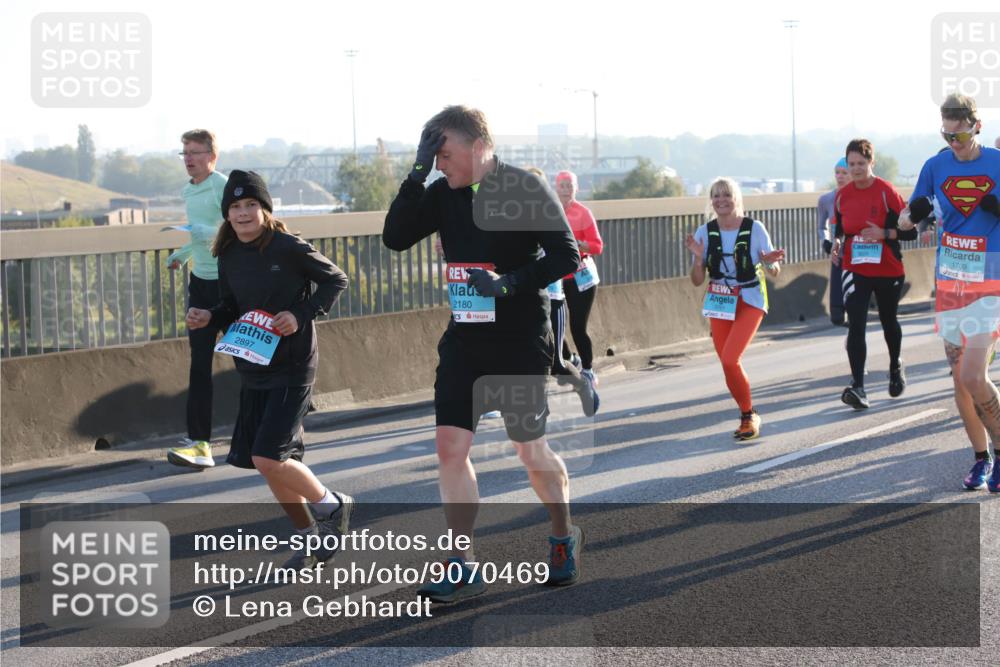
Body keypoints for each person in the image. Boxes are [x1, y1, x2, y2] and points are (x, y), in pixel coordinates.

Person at [383, 105, 591, 602]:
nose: (441, 163)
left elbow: (567, 255)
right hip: (465, 339)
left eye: (445, 153)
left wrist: (509, 283)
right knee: (450, 450)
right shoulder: (441, 192)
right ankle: (463, 562)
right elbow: (394, 238)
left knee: (529, 450)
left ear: (477, 148)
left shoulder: (524, 187)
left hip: (519, 337)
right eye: (432, 155)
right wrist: (416, 174)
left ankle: (564, 536)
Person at [185, 170, 355, 568]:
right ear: (226, 213)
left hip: (294, 365)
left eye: (251, 205)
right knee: (274, 465)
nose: (243, 213)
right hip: (255, 366)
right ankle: (311, 539)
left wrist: (300, 314)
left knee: (267, 457)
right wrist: (207, 315)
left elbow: (336, 279)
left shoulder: (287, 246)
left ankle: (334, 505)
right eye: (235, 206)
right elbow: (232, 307)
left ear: (264, 209)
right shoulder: (226, 253)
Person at [901, 93, 1000, 492]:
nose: (953, 144)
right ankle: (981, 457)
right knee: (960, 381)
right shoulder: (934, 166)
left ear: (976, 126)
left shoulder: (997, 162)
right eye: (947, 136)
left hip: (990, 284)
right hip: (951, 284)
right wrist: (917, 213)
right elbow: (906, 221)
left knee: (975, 374)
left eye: (959, 135)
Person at [685, 178, 785, 440]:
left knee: (731, 358)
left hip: (749, 299)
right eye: (716, 196)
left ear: (736, 198)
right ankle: (746, 412)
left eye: (726, 195)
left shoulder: (755, 228)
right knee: (727, 364)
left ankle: (748, 416)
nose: (721, 201)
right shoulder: (704, 232)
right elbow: (697, 281)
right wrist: (698, 259)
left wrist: (769, 262)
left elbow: (774, 271)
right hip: (720, 301)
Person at [831, 138, 917, 410]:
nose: (856, 169)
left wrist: (884, 233)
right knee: (855, 323)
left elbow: (911, 231)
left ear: (871, 163)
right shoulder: (842, 195)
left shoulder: (886, 191)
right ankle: (858, 386)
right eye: (851, 164)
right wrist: (837, 243)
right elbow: (841, 229)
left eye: (861, 163)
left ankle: (895, 365)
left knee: (888, 320)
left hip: (887, 267)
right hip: (855, 267)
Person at [167, 130, 229, 469]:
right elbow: (200, 234)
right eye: (185, 153)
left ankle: (268, 431)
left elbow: (235, 228)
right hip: (201, 284)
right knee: (199, 364)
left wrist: (208, 235)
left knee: (248, 361)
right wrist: (183, 252)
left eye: (195, 152)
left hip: (230, 285)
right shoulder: (187, 191)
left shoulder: (222, 186)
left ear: (212, 156)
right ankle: (200, 443)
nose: (189, 158)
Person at [556, 170, 604, 387]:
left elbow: (597, 246)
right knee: (552, 324)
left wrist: (579, 245)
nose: (565, 189)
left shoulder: (583, 213)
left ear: (576, 188)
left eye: (569, 185)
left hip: (580, 276)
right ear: (556, 188)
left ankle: (588, 369)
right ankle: (568, 360)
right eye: (562, 185)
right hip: (556, 276)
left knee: (577, 326)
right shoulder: (551, 211)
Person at [818, 157, 851, 326]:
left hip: (855, 247)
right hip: (836, 248)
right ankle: (837, 312)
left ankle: (855, 310)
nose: (840, 176)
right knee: (837, 278)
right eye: (837, 173)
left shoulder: (857, 197)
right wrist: (825, 241)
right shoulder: (826, 200)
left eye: (844, 173)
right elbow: (821, 226)